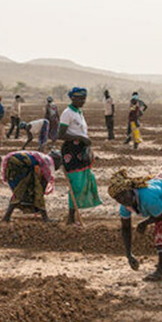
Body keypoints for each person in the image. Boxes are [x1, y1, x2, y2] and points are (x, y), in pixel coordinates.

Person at [57, 87, 102, 224]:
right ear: (72, 98)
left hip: (81, 151)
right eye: (80, 99)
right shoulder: (67, 113)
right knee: (75, 183)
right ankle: (71, 218)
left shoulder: (79, 113)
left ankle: (73, 215)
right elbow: (61, 134)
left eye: (84, 99)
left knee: (83, 180)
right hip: (72, 152)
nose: (83, 101)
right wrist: (81, 138)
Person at [1, 150, 61, 221]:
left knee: (19, 192)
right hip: (18, 165)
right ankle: (45, 218)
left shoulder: (42, 159)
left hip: (13, 163)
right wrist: (38, 197)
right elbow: (43, 183)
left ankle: (7, 217)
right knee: (22, 191)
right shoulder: (47, 162)